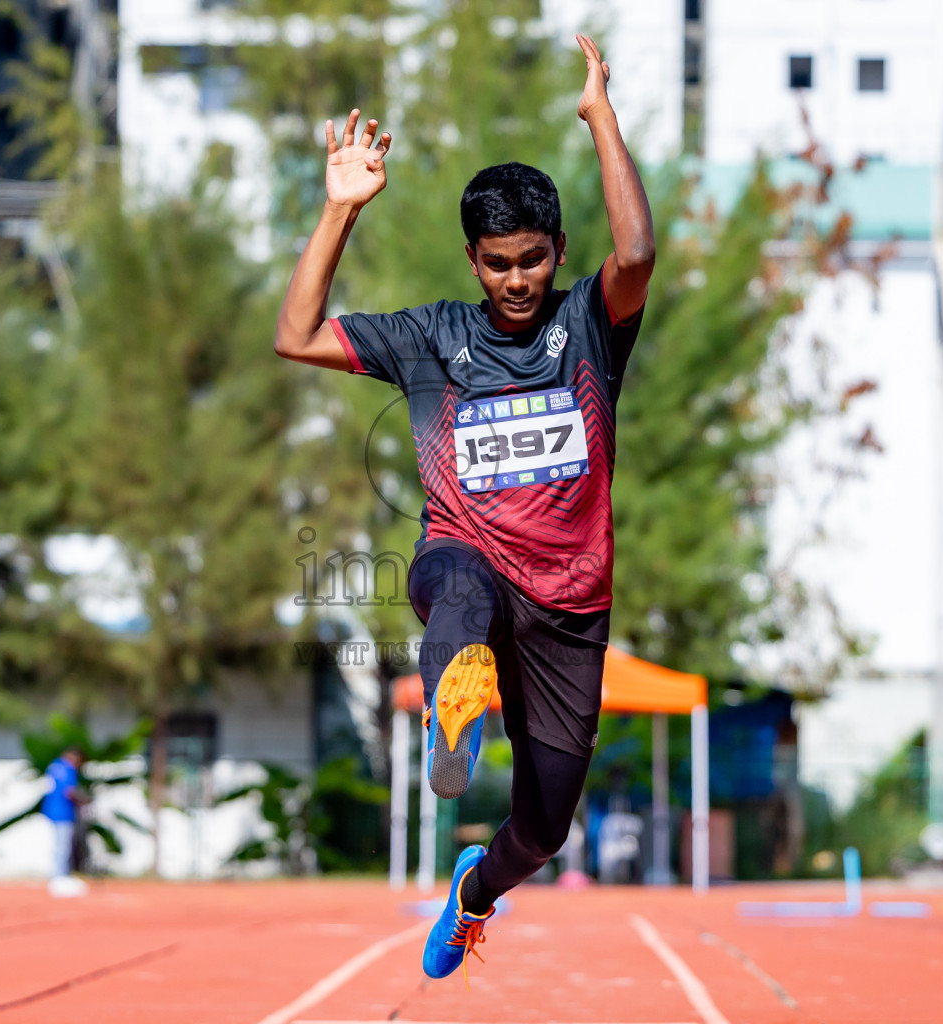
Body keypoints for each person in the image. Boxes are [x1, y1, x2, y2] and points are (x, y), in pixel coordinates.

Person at [274, 34, 653, 982]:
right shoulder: (433, 338)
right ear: (472, 261)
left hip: (572, 609)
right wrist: (338, 210)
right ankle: (458, 712)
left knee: (546, 827)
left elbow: (638, 250)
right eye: (496, 263)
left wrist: (600, 117)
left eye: (531, 260)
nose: (516, 280)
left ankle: (474, 892)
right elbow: (296, 334)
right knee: (457, 584)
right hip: (468, 564)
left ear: (557, 253)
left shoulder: (588, 330)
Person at [42, 747, 87, 897]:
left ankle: (58, 876)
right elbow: (69, 791)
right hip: (63, 812)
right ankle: (59, 878)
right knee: (62, 847)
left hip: (52, 810)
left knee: (58, 846)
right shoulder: (68, 769)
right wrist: (84, 800)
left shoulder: (54, 766)